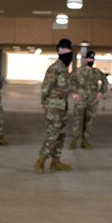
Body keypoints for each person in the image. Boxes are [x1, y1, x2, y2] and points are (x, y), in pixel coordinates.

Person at [35, 38, 74, 173]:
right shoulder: (55, 68)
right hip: (53, 107)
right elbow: (46, 87)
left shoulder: (64, 69)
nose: (71, 53)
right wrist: (44, 102)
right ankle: (41, 160)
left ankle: (55, 161)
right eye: (69, 50)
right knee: (53, 133)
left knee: (61, 135)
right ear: (61, 50)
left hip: (62, 106)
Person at [68, 50, 107, 149]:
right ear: (85, 60)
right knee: (77, 120)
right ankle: (74, 141)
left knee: (89, 121)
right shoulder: (78, 71)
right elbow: (70, 81)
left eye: (92, 58)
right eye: (89, 58)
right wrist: (73, 93)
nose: (90, 60)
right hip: (80, 100)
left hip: (92, 101)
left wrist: (100, 92)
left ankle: (85, 141)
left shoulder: (97, 72)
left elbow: (105, 81)